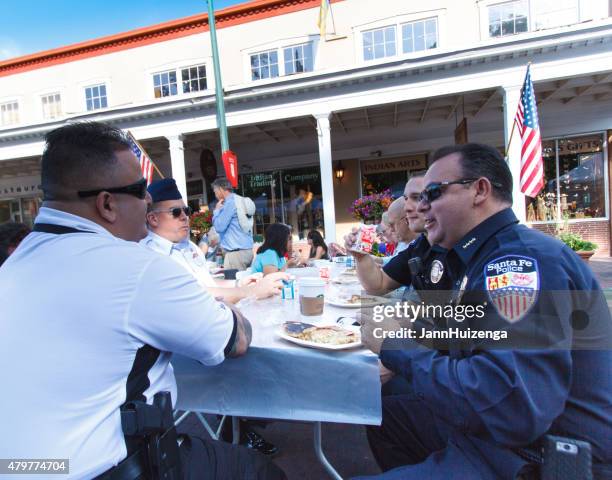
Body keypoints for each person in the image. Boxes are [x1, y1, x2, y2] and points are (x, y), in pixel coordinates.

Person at [0, 122, 285, 479]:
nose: (149, 199)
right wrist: (231, 310)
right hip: (106, 468)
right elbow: (235, 339)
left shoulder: (14, 264)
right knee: (261, 471)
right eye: (140, 190)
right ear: (106, 203)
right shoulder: (135, 267)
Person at [363, 143, 612, 479]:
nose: (421, 207)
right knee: (390, 418)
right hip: (505, 438)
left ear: (479, 190)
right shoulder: (480, 255)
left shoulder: (517, 263)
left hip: (540, 458)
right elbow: (475, 336)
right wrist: (415, 333)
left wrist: (397, 347)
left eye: (433, 193)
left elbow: (511, 408)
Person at [212, 178, 254, 270]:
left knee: (234, 283)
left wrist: (216, 211)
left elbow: (219, 227)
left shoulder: (229, 203)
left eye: (215, 192)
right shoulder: (241, 200)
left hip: (235, 255)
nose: (215, 195)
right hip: (248, 251)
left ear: (220, 189)